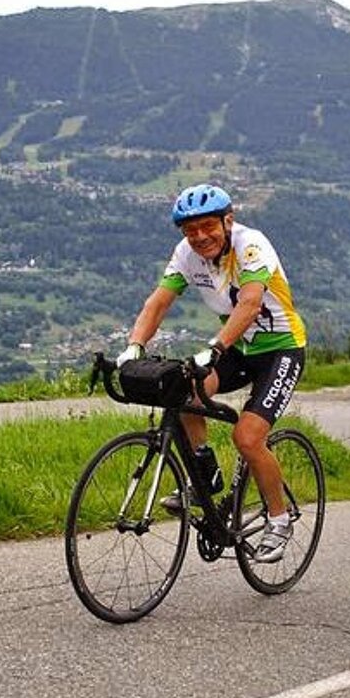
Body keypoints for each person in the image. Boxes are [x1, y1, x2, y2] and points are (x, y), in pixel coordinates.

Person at [116, 183, 307, 563]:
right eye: (190, 230)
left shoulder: (251, 245)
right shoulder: (187, 254)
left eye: (208, 227)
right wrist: (134, 346)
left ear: (227, 221)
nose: (200, 237)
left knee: (248, 438)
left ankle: (279, 519)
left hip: (280, 350)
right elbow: (158, 303)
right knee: (184, 391)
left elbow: (251, 303)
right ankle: (206, 477)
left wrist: (215, 348)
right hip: (238, 348)